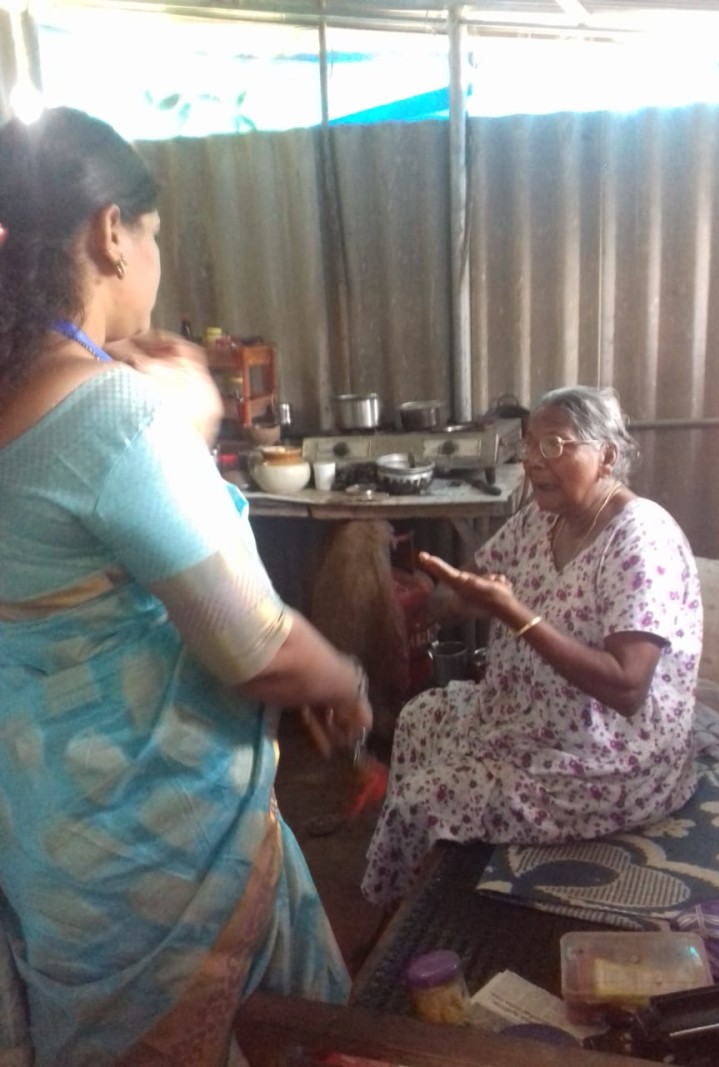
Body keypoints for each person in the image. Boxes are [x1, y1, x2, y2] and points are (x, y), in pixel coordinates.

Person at [0, 107, 372, 1066]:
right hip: (154, 853)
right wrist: (342, 679)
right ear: (109, 233)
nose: (155, 255)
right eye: (154, 231)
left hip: (50, 842)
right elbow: (256, 646)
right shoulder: (117, 418)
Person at [362, 385, 703, 907]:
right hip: (524, 715)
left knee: (419, 800)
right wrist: (452, 599)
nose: (534, 462)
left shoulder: (639, 540)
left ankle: (403, 914)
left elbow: (628, 688)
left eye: (554, 445)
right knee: (419, 718)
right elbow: (462, 591)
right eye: (529, 446)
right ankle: (429, 880)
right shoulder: (541, 518)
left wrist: (513, 613)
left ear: (606, 455)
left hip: (605, 755)